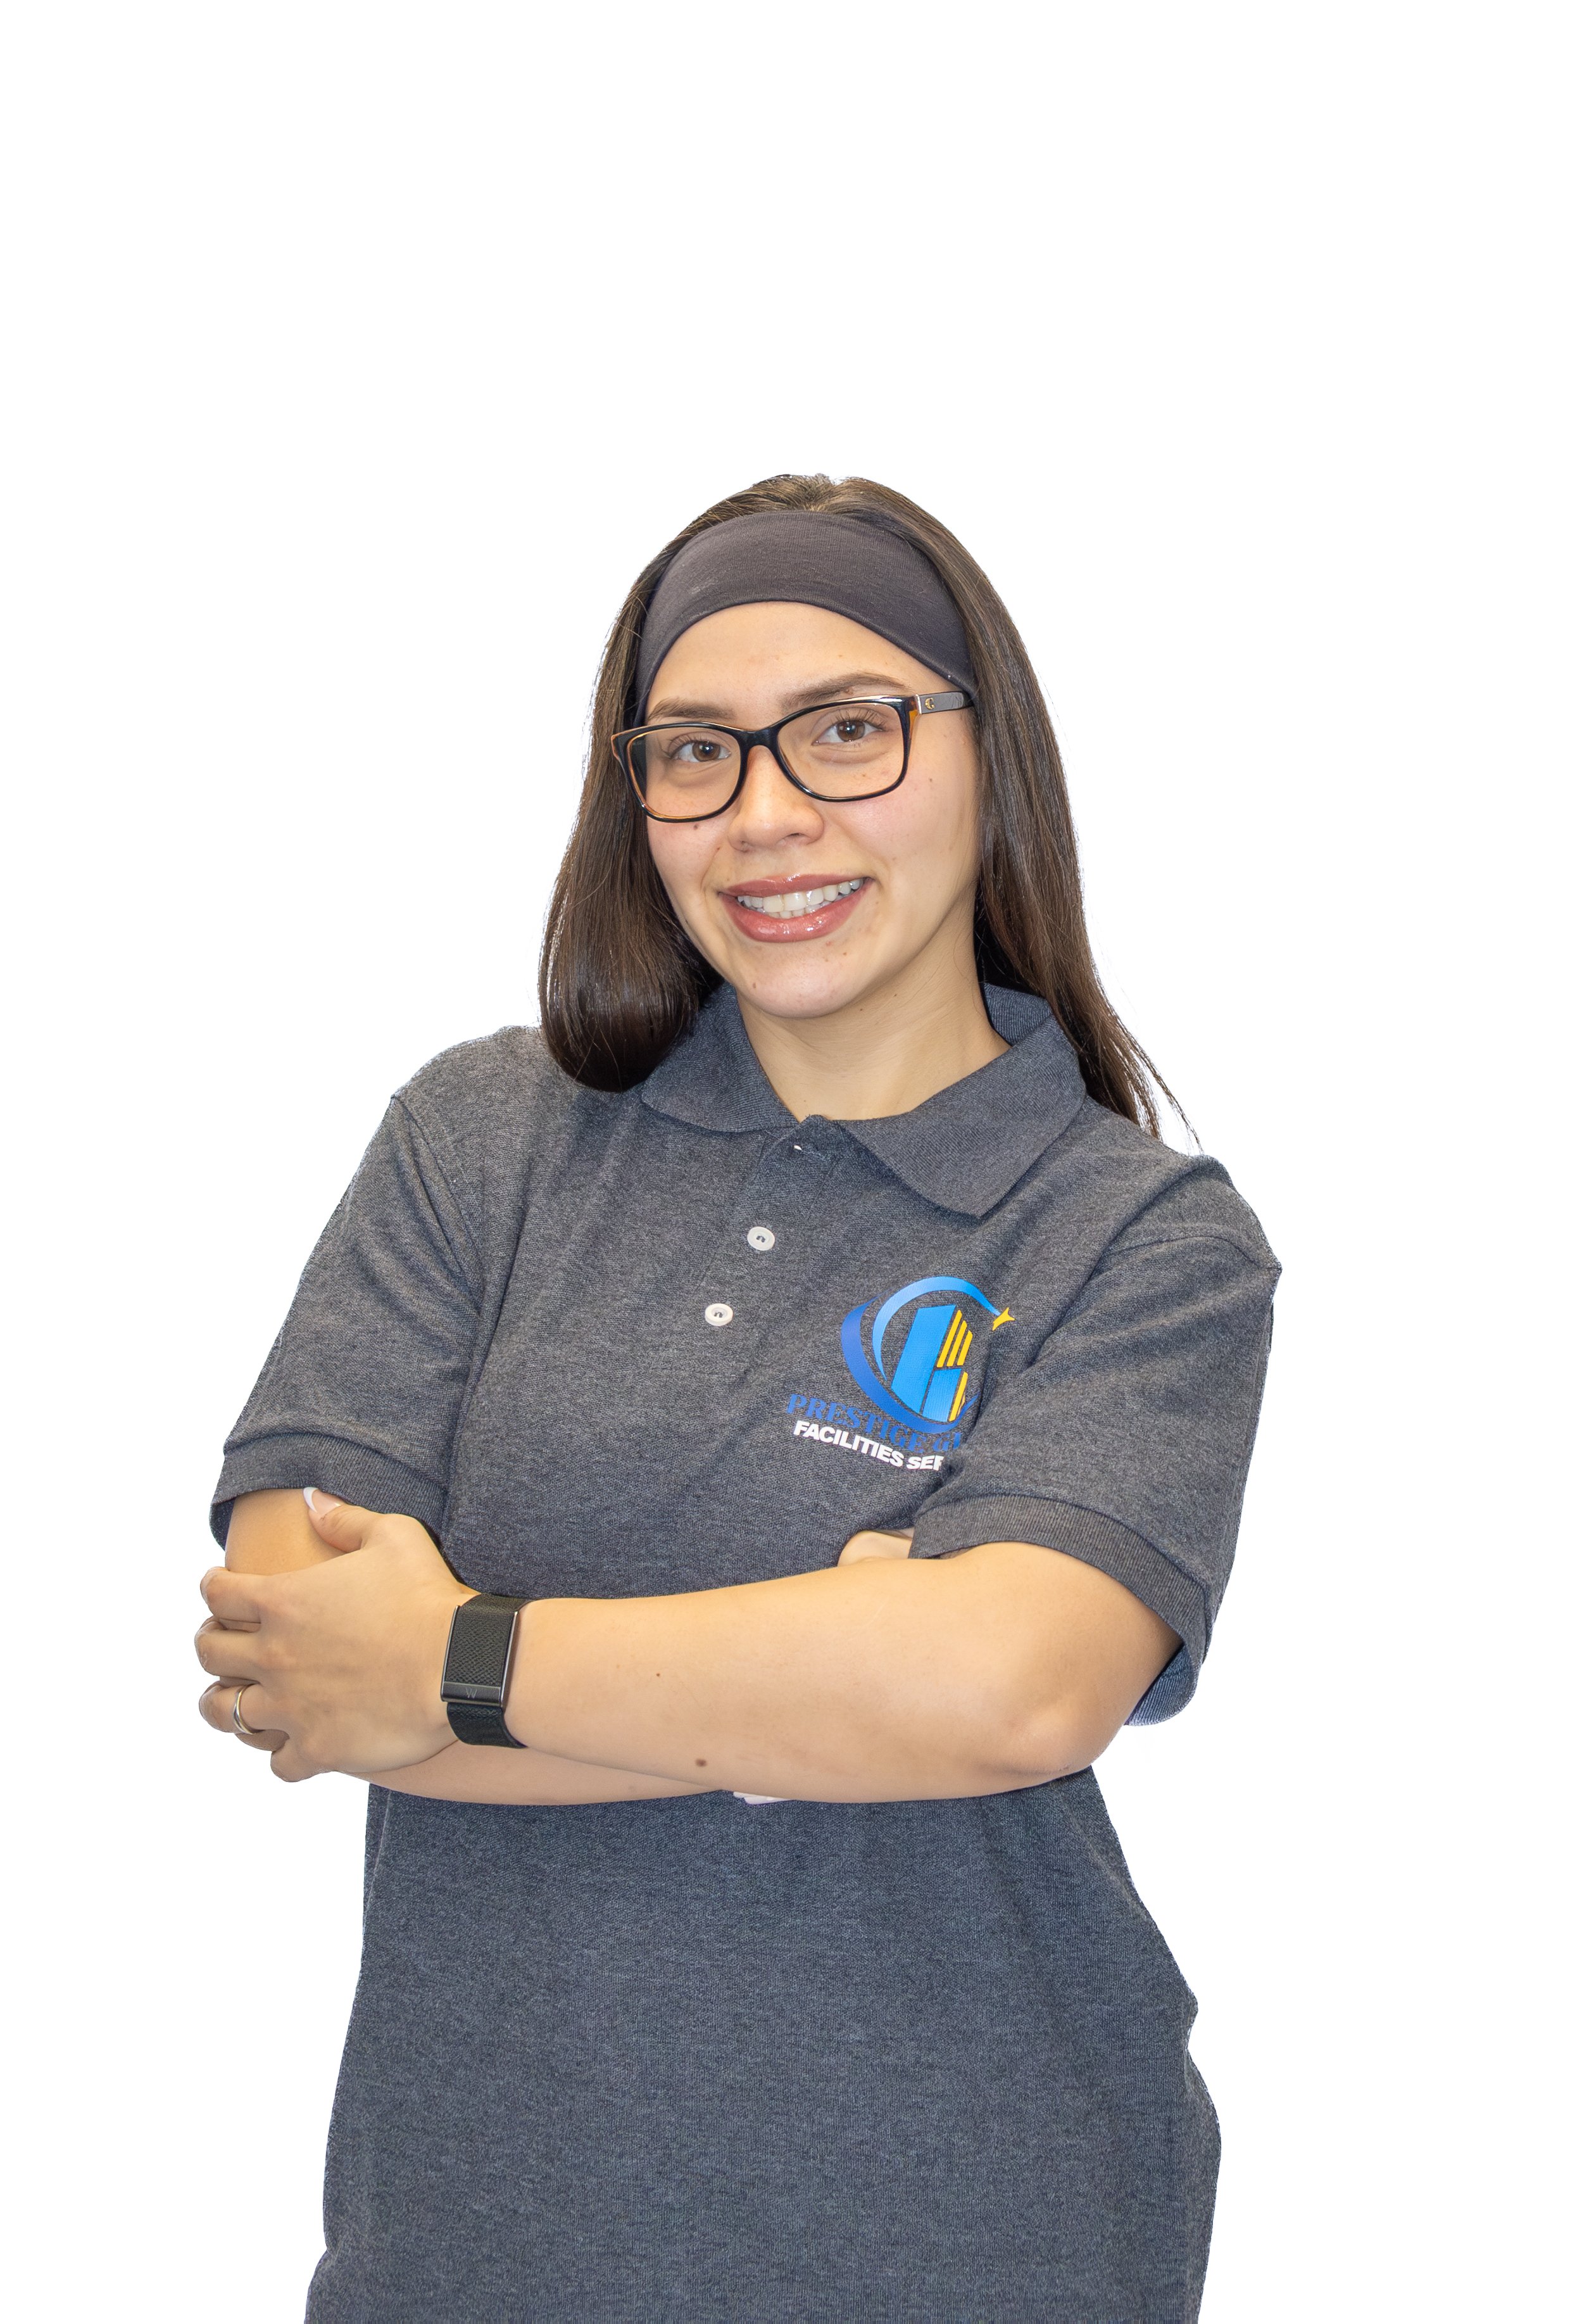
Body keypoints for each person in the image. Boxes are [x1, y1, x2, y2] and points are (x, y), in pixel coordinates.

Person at [197, 472, 1278, 2323]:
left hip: (977, 2238)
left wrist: (457, 1661)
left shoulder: (1138, 1233)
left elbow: (1006, 1688)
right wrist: (824, 1678)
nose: (764, 813)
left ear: (984, 754)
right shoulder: (480, 1142)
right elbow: (307, 1655)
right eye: (692, 752)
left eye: (846, 732)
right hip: (472, 2246)